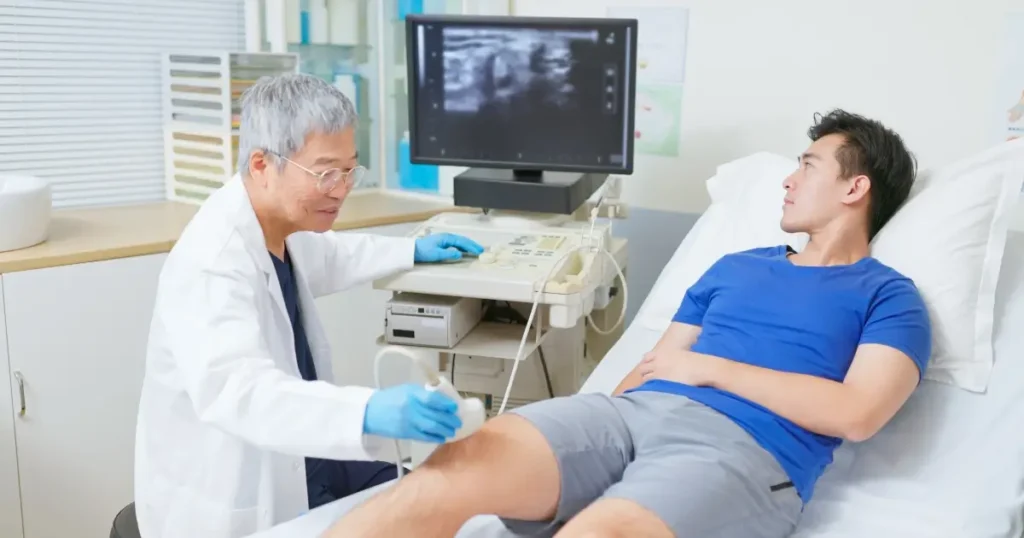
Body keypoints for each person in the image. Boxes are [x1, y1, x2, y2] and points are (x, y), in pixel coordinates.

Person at [329, 109, 932, 538]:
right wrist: (601, 440)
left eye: (808, 165)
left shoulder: (890, 297)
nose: (788, 179)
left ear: (856, 187)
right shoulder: (734, 267)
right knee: (450, 469)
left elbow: (857, 413)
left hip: (742, 452)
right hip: (627, 417)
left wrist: (711, 370)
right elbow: (655, 367)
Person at [133, 73, 484, 538]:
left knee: (436, 492)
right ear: (261, 164)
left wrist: (410, 249)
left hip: (307, 457)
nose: (340, 189)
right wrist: (368, 411)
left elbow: (334, 255)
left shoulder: (279, 225)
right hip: (237, 491)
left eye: (349, 170)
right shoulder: (211, 264)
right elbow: (241, 392)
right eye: (324, 173)